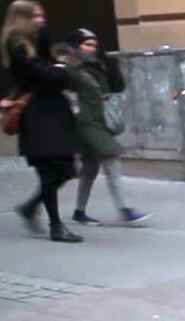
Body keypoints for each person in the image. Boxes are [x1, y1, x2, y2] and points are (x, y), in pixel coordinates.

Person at [0, 0, 81, 242]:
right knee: (48, 171)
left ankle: (30, 207)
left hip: (54, 111)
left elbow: (54, 70)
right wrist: (62, 68)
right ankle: (56, 226)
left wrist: (57, 64)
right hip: (37, 113)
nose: (42, 20)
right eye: (37, 16)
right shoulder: (17, 46)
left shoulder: (37, 40)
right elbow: (46, 76)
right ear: (23, 18)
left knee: (66, 170)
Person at [54, 29, 149, 226]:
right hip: (85, 121)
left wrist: (111, 66)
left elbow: (116, 88)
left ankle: (78, 212)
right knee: (112, 157)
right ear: (75, 46)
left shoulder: (97, 65)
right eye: (87, 45)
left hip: (99, 120)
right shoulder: (68, 67)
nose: (92, 49)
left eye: (94, 45)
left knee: (89, 168)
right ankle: (124, 210)